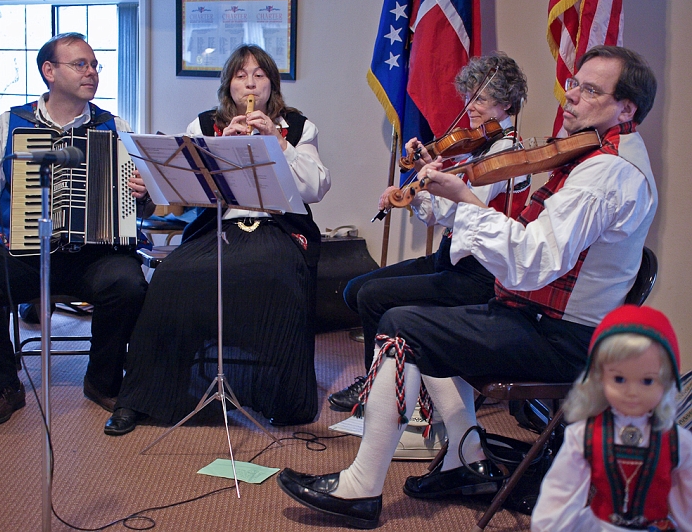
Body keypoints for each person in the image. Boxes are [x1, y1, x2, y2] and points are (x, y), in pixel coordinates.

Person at [277, 44, 658, 530]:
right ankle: (466, 462)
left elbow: (530, 263)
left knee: (403, 326)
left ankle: (361, 488)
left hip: (564, 339)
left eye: (590, 90)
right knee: (425, 326)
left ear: (626, 108)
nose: (573, 97)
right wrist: (448, 197)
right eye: (575, 84)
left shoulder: (606, 173)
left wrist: (468, 204)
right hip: (538, 318)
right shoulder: (596, 156)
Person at [104, 44, 331, 435]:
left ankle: (280, 397)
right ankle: (141, 397)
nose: (250, 83)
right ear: (228, 84)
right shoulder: (203, 124)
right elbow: (181, 194)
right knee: (171, 277)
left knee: (279, 276)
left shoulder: (297, 125)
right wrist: (217, 151)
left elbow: (316, 187)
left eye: (259, 75)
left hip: (277, 227)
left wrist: (278, 142)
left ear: (271, 84)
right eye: (241, 75)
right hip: (218, 228)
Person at [329, 52, 531, 412]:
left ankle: (378, 394)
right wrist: (420, 187)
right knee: (355, 289)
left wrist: (431, 185)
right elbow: (438, 215)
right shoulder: (478, 148)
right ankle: (394, 378)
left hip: (481, 274)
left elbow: (465, 216)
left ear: (505, 104)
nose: (469, 106)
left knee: (374, 296)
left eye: (480, 99)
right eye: (469, 96)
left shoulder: (507, 157)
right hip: (449, 261)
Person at [0, 32, 153, 427]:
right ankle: (3, 387)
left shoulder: (113, 126)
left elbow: (146, 197)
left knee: (128, 283)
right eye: (80, 64)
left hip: (94, 255)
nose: (91, 72)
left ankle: (102, 381)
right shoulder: (12, 124)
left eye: (94, 65)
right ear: (49, 72)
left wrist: (142, 190)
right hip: (23, 251)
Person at [531, 305, 692, 531]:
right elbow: (561, 490)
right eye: (619, 379)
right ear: (599, 378)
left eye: (647, 381)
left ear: (666, 382)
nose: (632, 391)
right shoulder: (584, 436)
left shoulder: (679, 442)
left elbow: (688, 497)